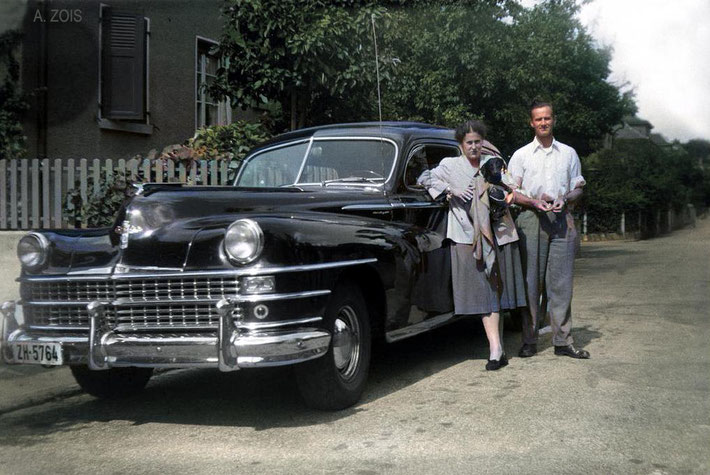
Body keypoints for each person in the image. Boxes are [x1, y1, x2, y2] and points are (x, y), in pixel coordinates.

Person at [418, 120, 537, 370]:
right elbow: (424, 178)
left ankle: (497, 349)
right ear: (461, 145)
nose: (473, 147)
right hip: (466, 235)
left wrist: (501, 193)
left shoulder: (492, 163)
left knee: (497, 290)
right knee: (483, 292)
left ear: (484, 142)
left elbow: (513, 187)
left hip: (500, 234)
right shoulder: (450, 165)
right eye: (469, 143)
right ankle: (496, 348)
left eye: (477, 142)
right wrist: (450, 191)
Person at [508, 100, 590, 359]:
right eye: (538, 119)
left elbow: (579, 186)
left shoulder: (568, 153)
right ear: (531, 123)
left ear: (554, 120)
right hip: (531, 219)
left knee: (561, 284)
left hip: (560, 217)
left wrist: (565, 198)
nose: (543, 123)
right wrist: (533, 201)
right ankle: (529, 340)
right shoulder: (521, 155)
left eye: (547, 118)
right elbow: (510, 191)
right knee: (531, 282)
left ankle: (563, 341)